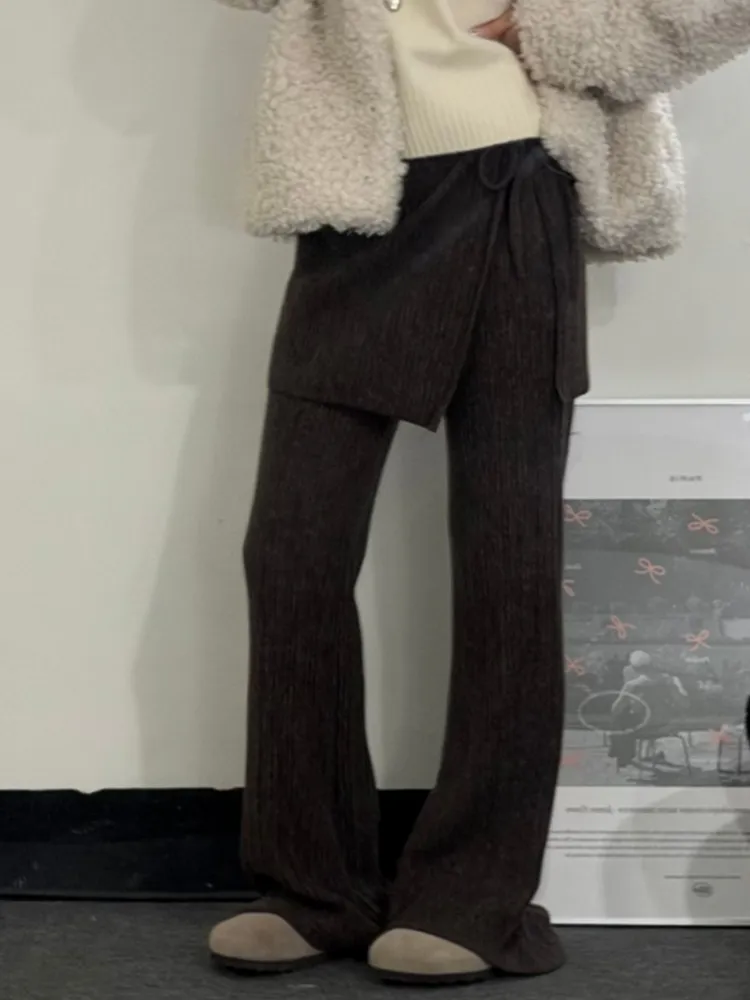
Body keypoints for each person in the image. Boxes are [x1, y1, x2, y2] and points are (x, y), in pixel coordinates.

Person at [208, 0, 750, 986]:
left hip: (518, 187)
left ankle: (477, 899)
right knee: (290, 553)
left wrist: (559, 24)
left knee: (508, 559)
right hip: (359, 199)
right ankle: (313, 890)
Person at [609, 651, 690, 769]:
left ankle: (623, 756)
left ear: (635, 669)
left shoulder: (632, 685)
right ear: (653, 665)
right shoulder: (670, 681)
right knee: (622, 721)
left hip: (643, 727)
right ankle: (628, 755)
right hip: (666, 725)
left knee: (619, 719)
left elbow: (615, 709)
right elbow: (685, 704)